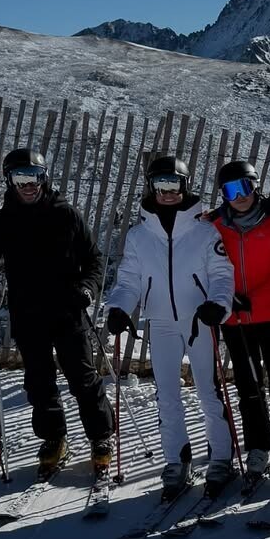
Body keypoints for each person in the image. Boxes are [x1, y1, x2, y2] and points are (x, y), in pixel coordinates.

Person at [0, 147, 114, 480]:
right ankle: (54, 438)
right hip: (27, 312)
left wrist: (88, 289)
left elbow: (93, 261)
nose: (28, 184)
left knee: (82, 376)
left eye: (33, 176)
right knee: (38, 381)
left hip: (68, 310)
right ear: (9, 181)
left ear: (44, 177)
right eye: (20, 178)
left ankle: (101, 435)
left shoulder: (66, 215)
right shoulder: (2, 221)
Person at [104, 153, 236, 499]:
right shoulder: (138, 235)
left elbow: (223, 273)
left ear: (184, 186)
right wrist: (119, 306)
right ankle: (176, 460)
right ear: (151, 187)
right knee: (167, 395)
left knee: (208, 390)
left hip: (199, 320)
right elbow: (129, 278)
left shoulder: (205, 232)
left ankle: (221, 457)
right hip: (159, 321)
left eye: (173, 184)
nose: (167, 192)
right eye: (160, 184)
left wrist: (218, 305)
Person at [206, 158, 270, 492]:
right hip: (234, 320)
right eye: (231, 190)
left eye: (245, 187)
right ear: (223, 194)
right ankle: (258, 447)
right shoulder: (214, 225)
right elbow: (207, 267)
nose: (239, 196)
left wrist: (254, 302)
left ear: (256, 186)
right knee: (248, 387)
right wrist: (226, 297)